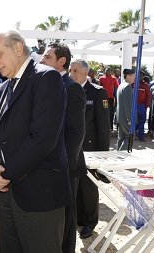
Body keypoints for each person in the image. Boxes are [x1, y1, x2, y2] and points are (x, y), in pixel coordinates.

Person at [0, 29, 70, 253]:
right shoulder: (3, 88)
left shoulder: (46, 78)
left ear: (18, 48)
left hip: (39, 195)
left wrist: (4, 173)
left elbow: (43, 139)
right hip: (5, 194)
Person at [40, 42, 86, 253]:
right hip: (44, 165)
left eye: (47, 57)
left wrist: (63, 165)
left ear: (62, 61)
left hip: (65, 165)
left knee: (67, 217)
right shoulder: (41, 85)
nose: (42, 59)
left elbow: (76, 132)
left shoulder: (72, 88)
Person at [69, 59, 110, 239]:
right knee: (75, 187)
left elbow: (103, 126)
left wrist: (103, 155)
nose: (72, 73)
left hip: (90, 148)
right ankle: (78, 219)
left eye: (75, 70)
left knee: (89, 188)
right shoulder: (68, 89)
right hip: (72, 148)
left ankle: (90, 222)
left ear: (85, 72)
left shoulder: (97, 92)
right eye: (70, 70)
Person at [116, 69, 135, 151]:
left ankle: (118, 156)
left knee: (121, 138)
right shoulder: (127, 86)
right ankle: (122, 156)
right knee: (129, 137)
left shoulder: (121, 85)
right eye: (133, 76)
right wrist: (130, 119)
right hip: (126, 118)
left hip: (120, 117)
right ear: (128, 76)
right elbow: (128, 105)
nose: (134, 78)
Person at [131, 71, 150, 142]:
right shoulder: (132, 84)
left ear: (143, 77)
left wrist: (146, 105)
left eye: (141, 76)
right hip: (134, 105)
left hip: (142, 106)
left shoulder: (146, 85)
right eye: (137, 75)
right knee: (134, 121)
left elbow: (148, 96)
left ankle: (141, 136)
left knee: (142, 121)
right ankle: (133, 136)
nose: (139, 77)